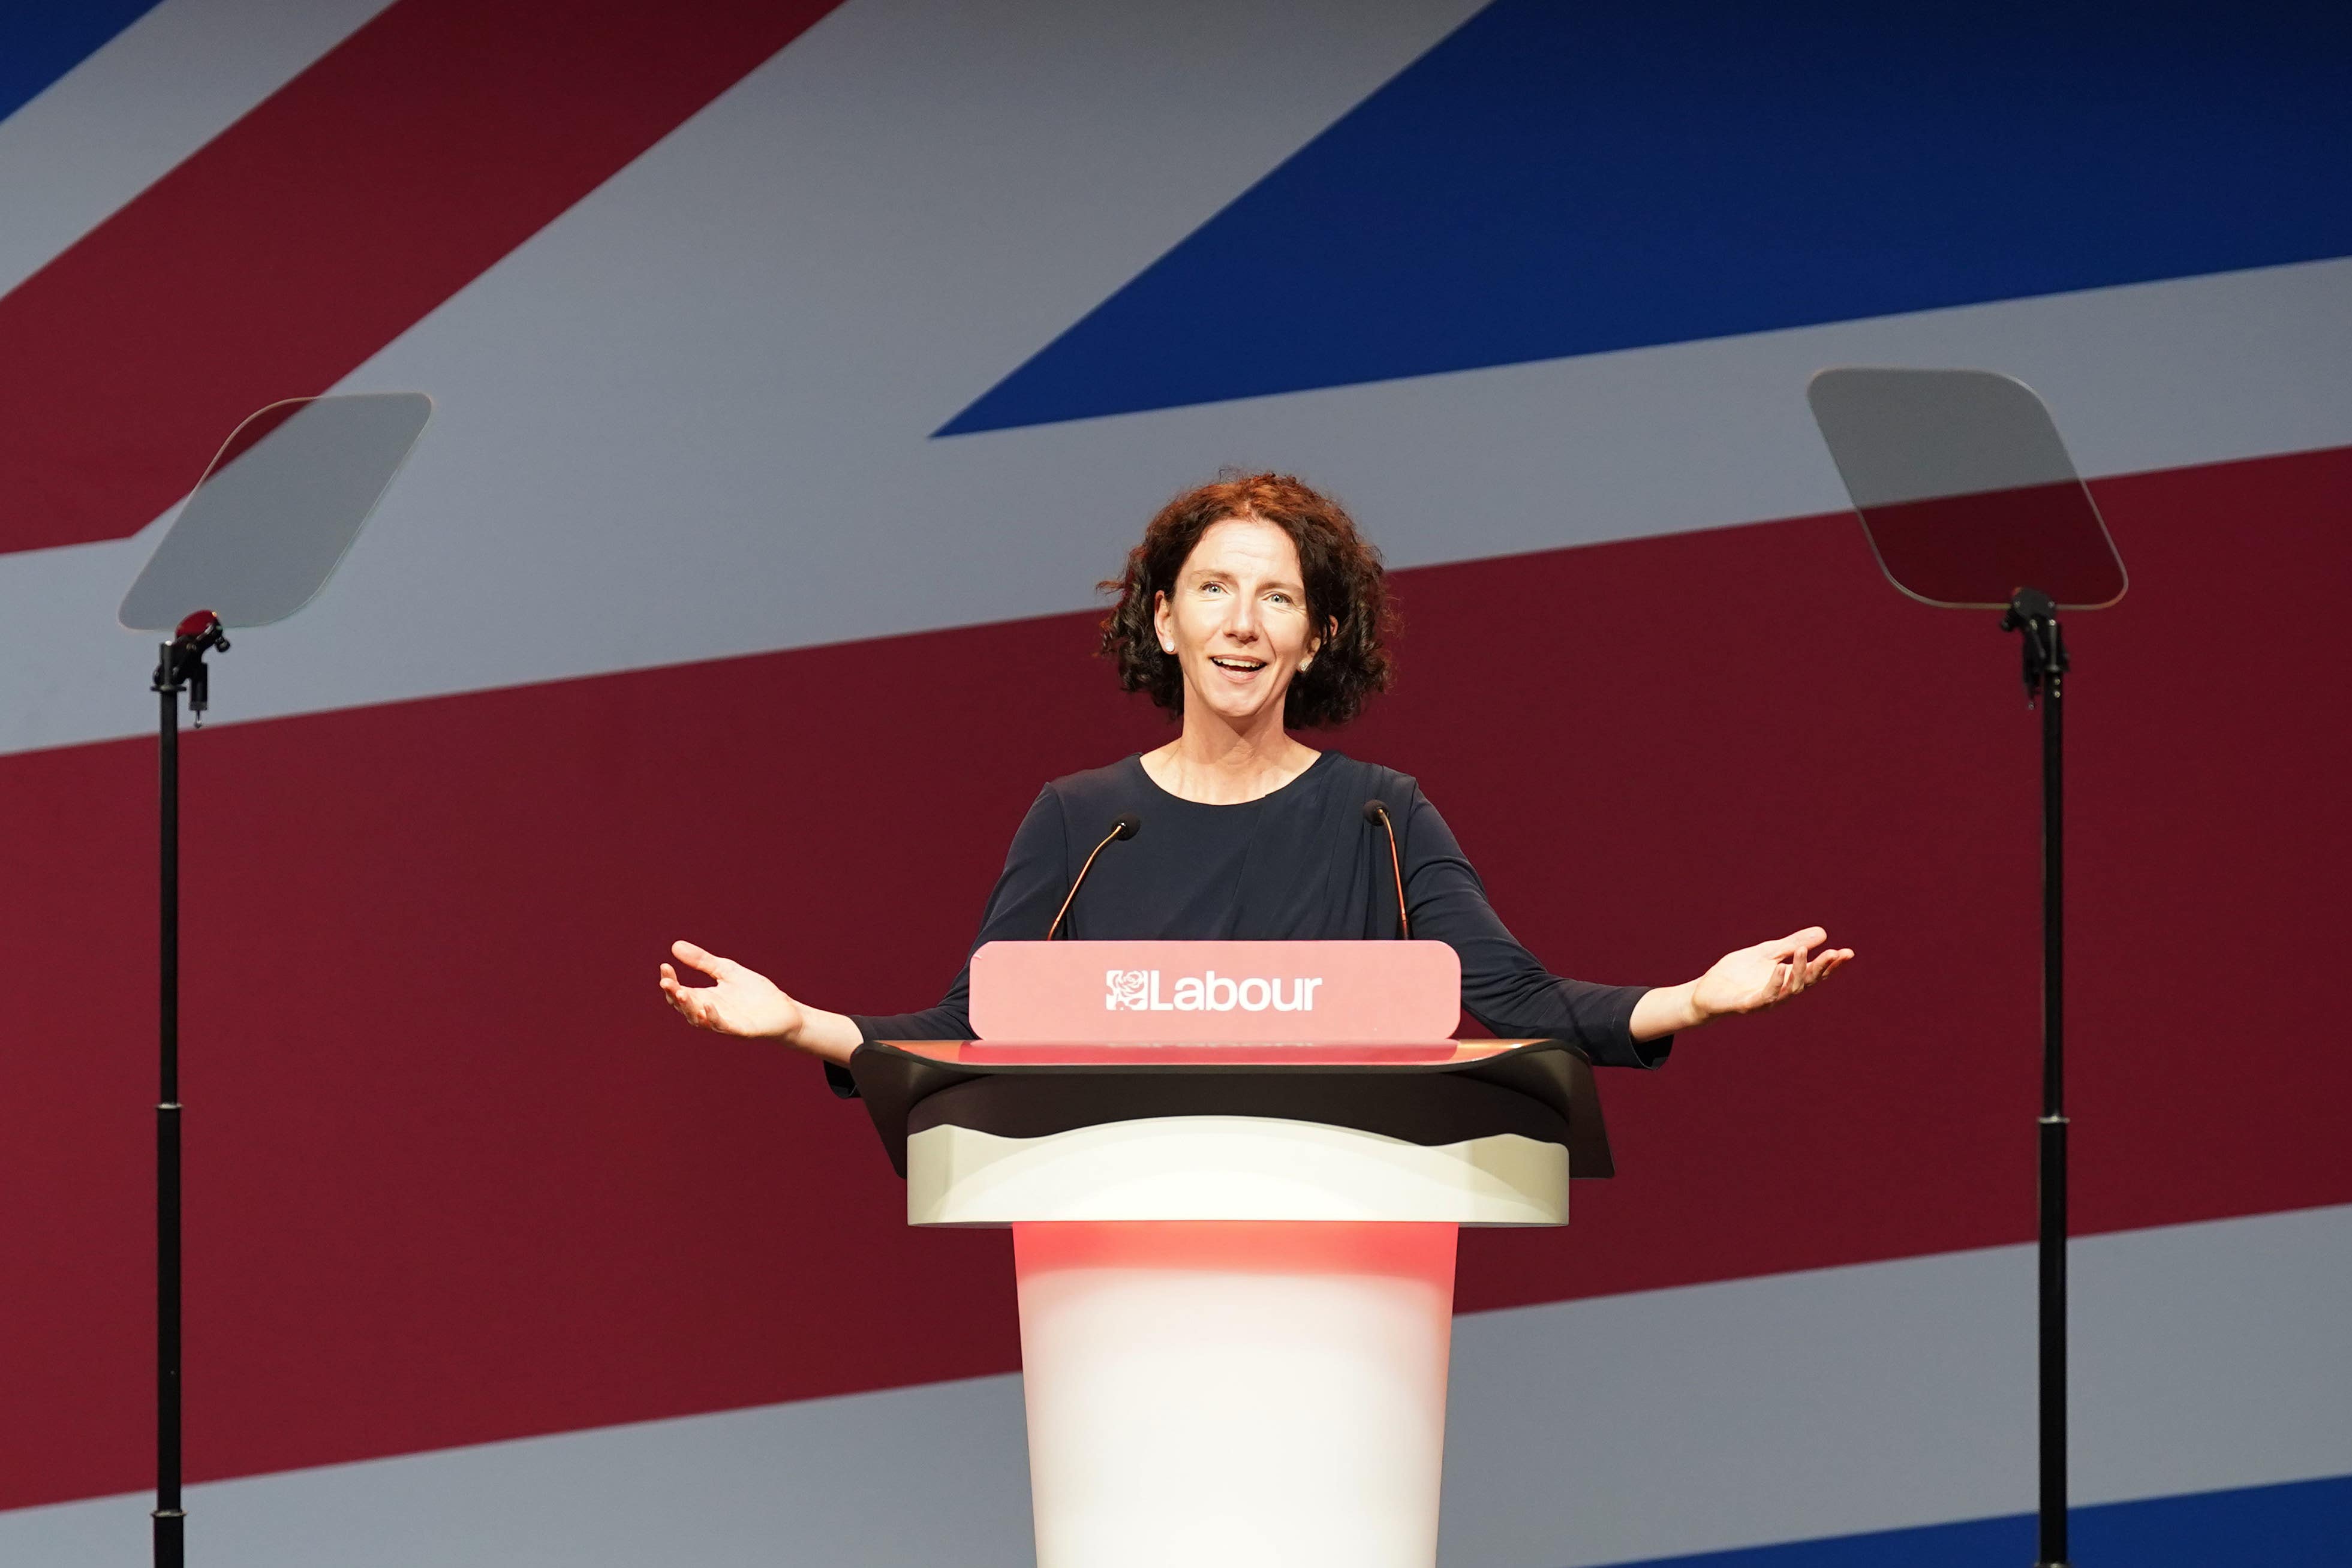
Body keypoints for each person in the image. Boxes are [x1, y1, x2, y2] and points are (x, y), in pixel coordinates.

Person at [660, 473, 1850, 1079]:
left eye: (1277, 595)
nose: (1244, 622)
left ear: (1317, 637)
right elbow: (974, 1030)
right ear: (1164, 621)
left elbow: (1518, 1002)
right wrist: (797, 1026)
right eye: (1214, 591)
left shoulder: (1380, 816)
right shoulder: (1081, 822)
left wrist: (1695, 999)